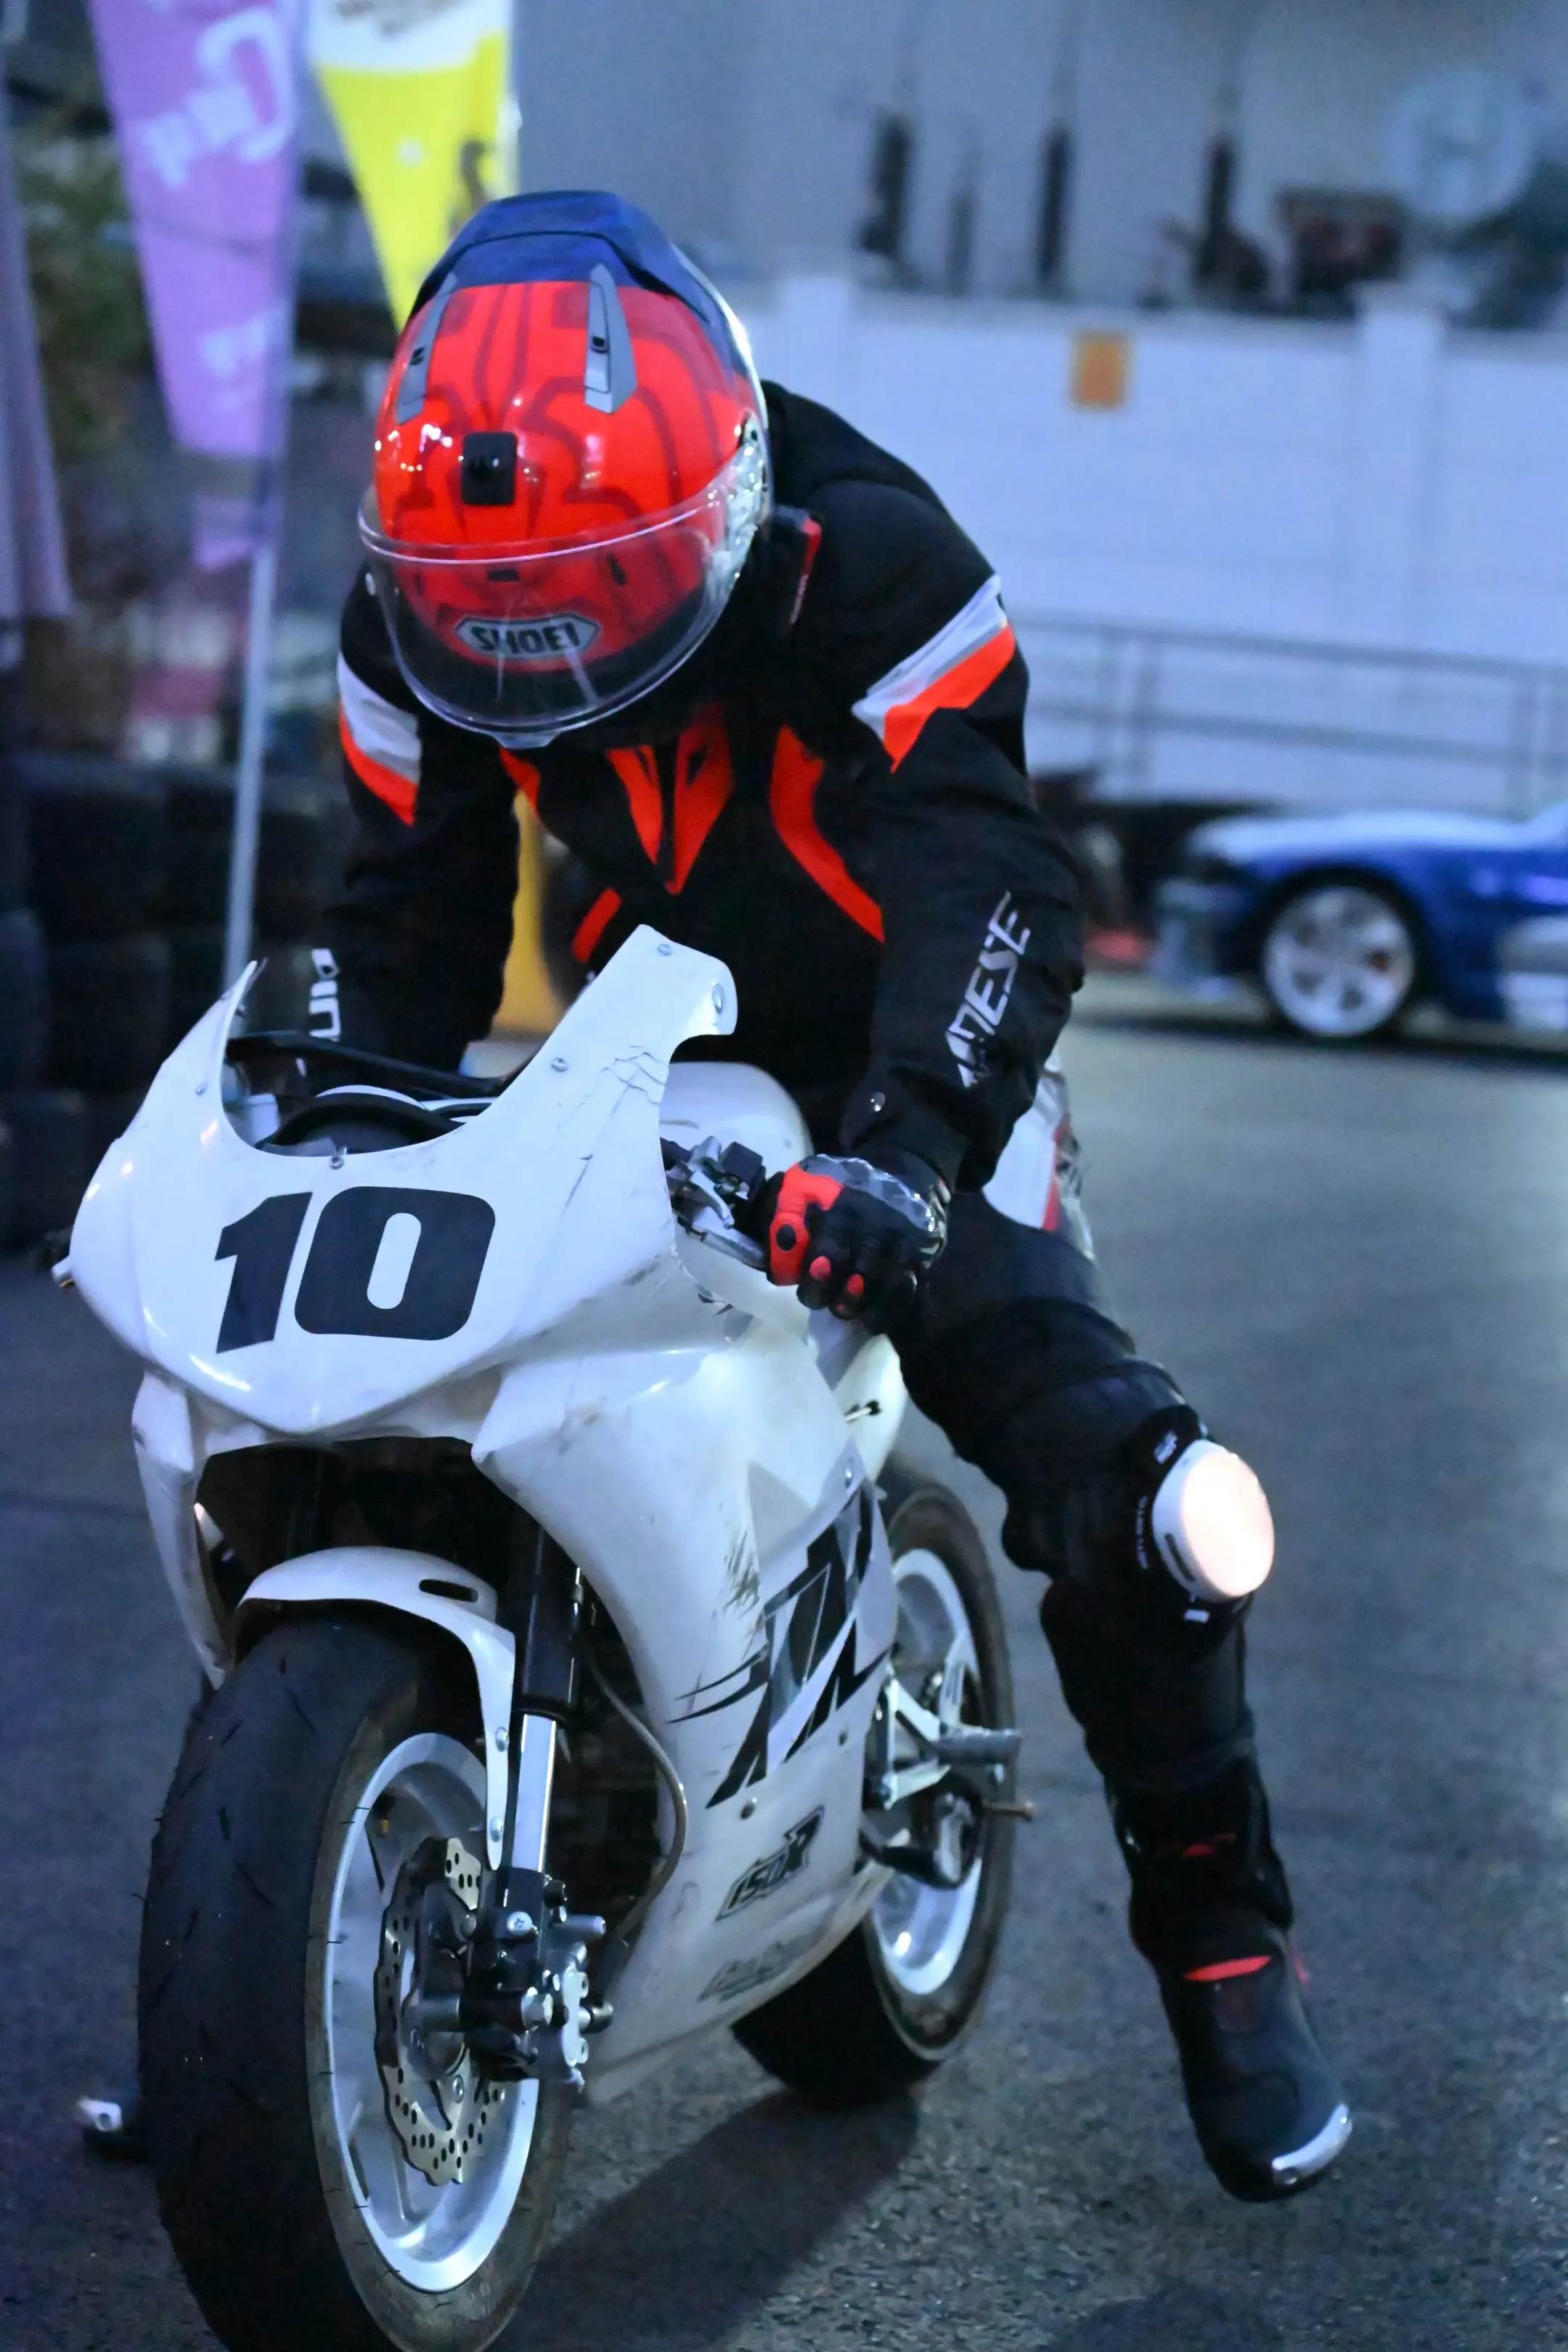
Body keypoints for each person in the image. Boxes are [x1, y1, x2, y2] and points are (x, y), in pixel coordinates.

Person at [323, 190, 1347, 2202]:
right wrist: (354, 1123)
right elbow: (406, 923)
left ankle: (1226, 1949)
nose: (539, 652)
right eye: (488, 608)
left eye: (589, 597)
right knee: (372, 1391)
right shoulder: (417, 601)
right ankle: (305, 1940)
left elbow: (996, 882)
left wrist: (906, 1149)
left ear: (713, 507)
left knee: (1130, 1494)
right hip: (657, 1033)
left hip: (916, 1047)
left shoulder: (876, 555)